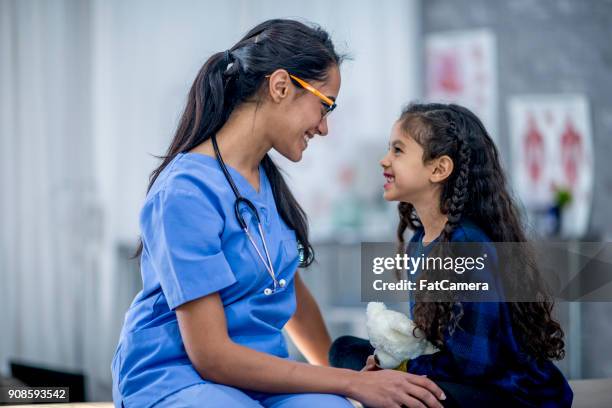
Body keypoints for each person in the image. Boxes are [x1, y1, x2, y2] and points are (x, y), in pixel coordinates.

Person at [111, 19, 446, 408]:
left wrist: (355, 385)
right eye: (324, 107)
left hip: (259, 378)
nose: (323, 128)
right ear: (281, 86)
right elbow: (212, 356)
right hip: (178, 376)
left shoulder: (266, 183)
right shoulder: (185, 192)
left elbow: (289, 293)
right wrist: (347, 383)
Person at [330, 103, 573, 407]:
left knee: (399, 391)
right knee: (343, 350)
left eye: (398, 151)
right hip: (459, 375)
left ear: (439, 168)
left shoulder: (466, 245)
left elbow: (474, 365)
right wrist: (384, 366)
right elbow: (436, 344)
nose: (384, 160)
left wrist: (397, 370)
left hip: (504, 392)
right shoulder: (421, 242)